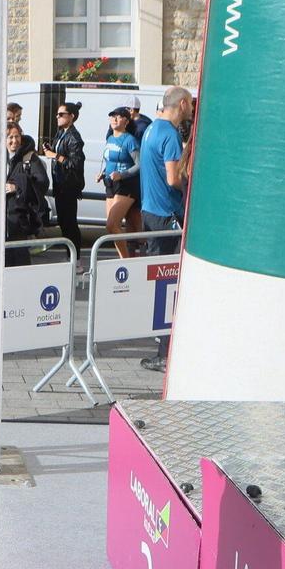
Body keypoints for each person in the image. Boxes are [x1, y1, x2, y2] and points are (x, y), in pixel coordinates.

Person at [136, 86, 192, 372]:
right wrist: (189, 183)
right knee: (168, 285)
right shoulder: (169, 134)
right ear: (182, 104)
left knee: (160, 284)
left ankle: (163, 348)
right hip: (166, 216)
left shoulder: (150, 130)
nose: (192, 109)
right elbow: (172, 178)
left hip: (150, 213)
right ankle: (165, 353)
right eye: (191, 104)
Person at [43, 101, 86, 254]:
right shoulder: (62, 132)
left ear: (72, 116)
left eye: (61, 114)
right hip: (60, 184)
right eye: (57, 114)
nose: (57, 117)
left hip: (68, 186)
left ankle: (76, 258)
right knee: (63, 223)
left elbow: (75, 163)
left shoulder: (74, 137)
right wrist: (50, 150)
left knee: (69, 224)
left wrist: (54, 155)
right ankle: (71, 257)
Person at [100, 106, 142, 259]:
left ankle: (126, 260)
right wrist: (103, 172)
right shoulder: (110, 138)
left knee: (112, 224)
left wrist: (122, 175)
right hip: (110, 184)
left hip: (126, 185)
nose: (114, 119)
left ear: (126, 120)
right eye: (112, 116)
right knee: (112, 228)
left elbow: (139, 164)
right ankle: (123, 258)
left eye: (118, 116)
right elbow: (108, 160)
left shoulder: (130, 140)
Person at [2, 127, 49, 261]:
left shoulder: (29, 158)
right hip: (0, 219)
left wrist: (18, 187)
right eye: (10, 137)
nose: (14, 141)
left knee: (19, 258)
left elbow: (42, 182)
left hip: (20, 218)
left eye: (17, 136)